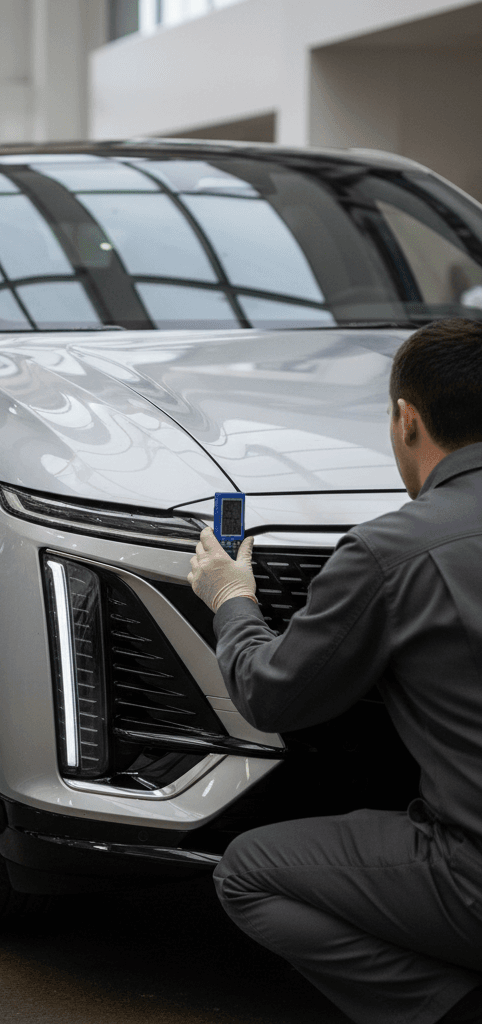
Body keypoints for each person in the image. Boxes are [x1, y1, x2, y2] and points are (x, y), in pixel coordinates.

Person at [188, 318, 482, 1024]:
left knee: (249, 874)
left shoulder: (391, 552)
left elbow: (270, 692)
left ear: (408, 420)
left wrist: (232, 597)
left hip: (473, 881)